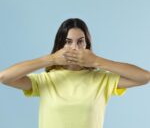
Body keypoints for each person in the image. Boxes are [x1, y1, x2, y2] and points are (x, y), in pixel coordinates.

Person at [0, 18, 150, 128]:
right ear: (60, 45)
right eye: (68, 41)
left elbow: (144, 77)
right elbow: (5, 77)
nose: (74, 48)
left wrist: (97, 61)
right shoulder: (44, 81)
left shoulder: (102, 79)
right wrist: (51, 59)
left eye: (80, 42)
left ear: (87, 45)